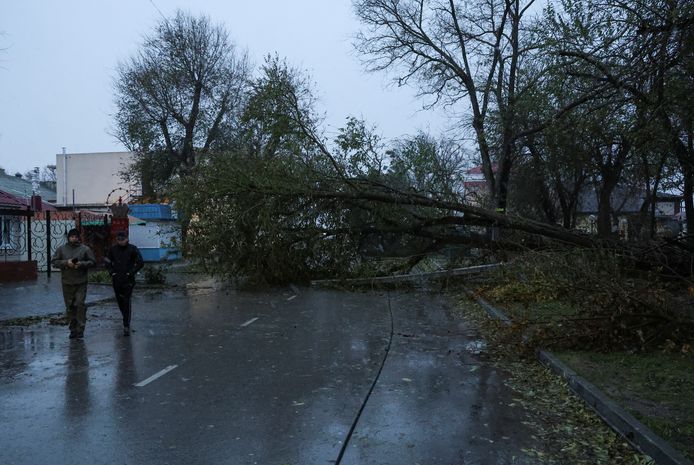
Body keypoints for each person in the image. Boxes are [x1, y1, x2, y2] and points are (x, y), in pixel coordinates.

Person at [52, 228, 96, 339]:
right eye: (72, 237)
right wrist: (66, 262)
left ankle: (80, 329)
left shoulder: (85, 249)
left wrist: (81, 264)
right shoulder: (62, 249)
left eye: (76, 237)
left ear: (78, 237)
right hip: (67, 282)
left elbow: (93, 262)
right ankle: (73, 329)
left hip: (81, 282)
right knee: (70, 307)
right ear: (68, 238)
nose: (74, 239)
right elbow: (54, 262)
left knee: (80, 304)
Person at [105, 231, 144, 336]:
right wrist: (112, 272)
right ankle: (125, 317)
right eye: (119, 239)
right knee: (120, 301)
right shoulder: (113, 249)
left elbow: (140, 262)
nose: (121, 241)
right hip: (117, 279)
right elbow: (107, 260)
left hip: (128, 280)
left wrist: (131, 272)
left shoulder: (132, 249)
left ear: (127, 239)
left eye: (123, 239)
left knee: (126, 301)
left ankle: (126, 324)